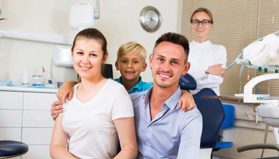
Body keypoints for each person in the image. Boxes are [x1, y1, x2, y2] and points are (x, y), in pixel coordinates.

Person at [0, 28, 137, 159]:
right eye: (80, 53)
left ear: (104, 57)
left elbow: (130, 148)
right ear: (72, 55)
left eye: (93, 55)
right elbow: (56, 148)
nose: (85, 60)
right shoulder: (68, 93)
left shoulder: (116, 93)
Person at [80, 32, 203, 159]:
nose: (165, 68)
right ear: (151, 61)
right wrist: (65, 100)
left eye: (174, 62)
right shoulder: (129, 101)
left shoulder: (190, 116)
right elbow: (92, 111)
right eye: (161, 59)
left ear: (185, 69)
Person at [51, 41, 195, 120]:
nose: (130, 66)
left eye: (135, 62)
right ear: (117, 65)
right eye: (125, 61)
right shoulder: (109, 86)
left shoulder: (148, 88)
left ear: (145, 66)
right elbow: (87, 88)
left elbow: (167, 91)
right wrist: (69, 83)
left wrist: (185, 93)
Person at [188, 7, 227, 95]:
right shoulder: (183, 49)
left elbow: (216, 80)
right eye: (196, 21)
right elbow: (180, 78)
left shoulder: (219, 50)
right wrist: (207, 70)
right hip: (186, 101)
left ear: (211, 26)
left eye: (205, 22)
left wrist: (190, 81)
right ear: (192, 25)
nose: (200, 25)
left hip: (210, 100)